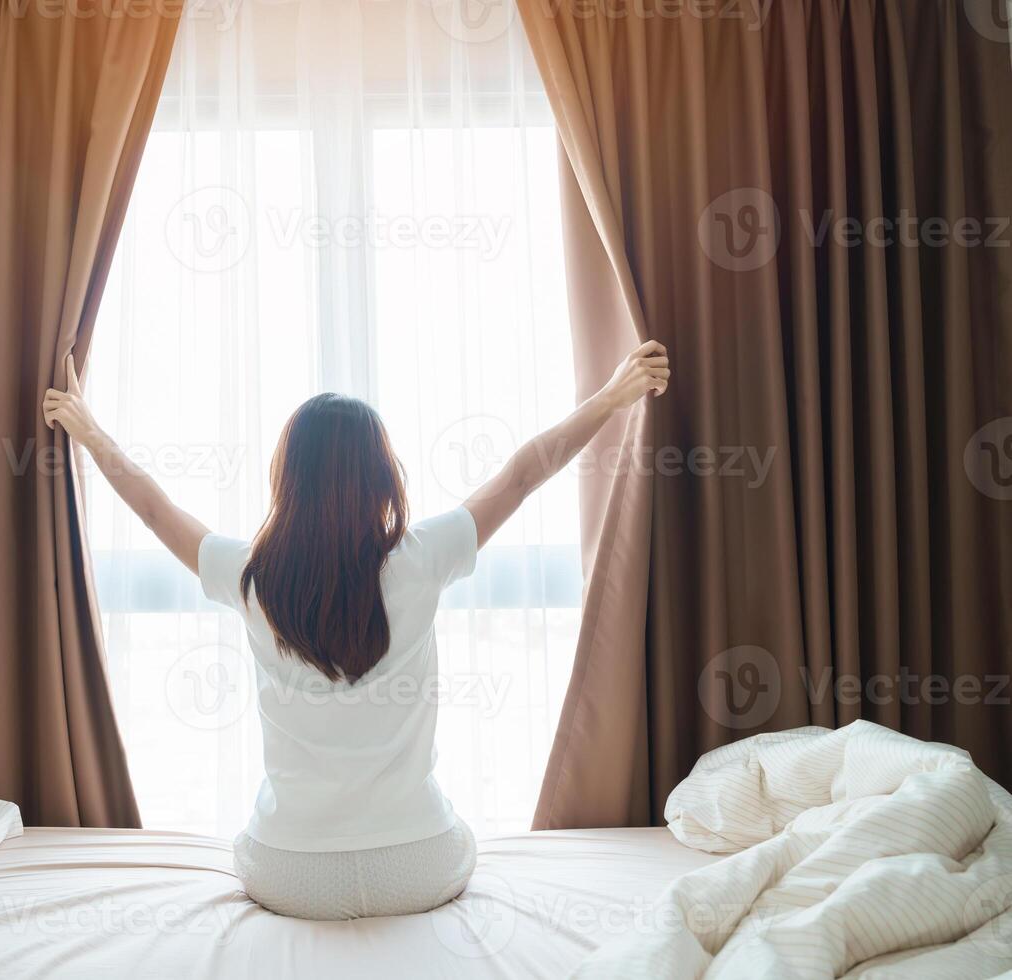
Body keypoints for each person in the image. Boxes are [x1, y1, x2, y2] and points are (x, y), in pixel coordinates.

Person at [42, 340, 670, 920]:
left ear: (287, 480)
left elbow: (153, 509)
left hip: (288, 872)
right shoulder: (422, 558)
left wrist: (88, 430)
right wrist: (613, 395)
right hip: (419, 864)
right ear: (381, 476)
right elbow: (522, 474)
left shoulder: (248, 574)